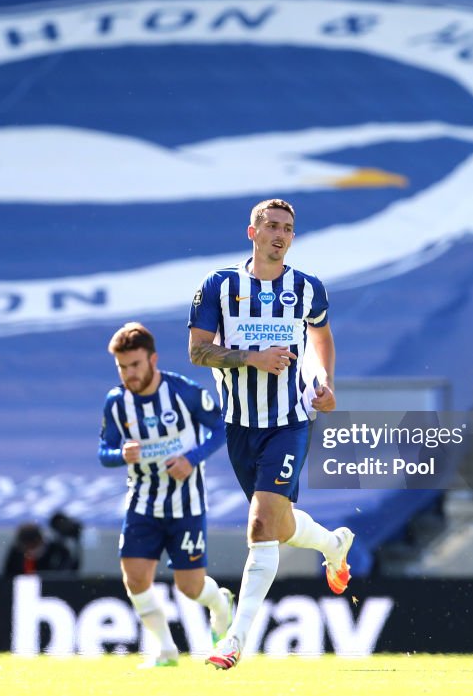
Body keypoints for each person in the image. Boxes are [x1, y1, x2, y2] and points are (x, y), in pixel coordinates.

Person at [188, 198, 354, 670]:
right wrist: (251, 358)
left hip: (288, 421)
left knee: (261, 526)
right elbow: (198, 352)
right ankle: (331, 544)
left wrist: (323, 381)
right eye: (272, 226)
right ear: (253, 232)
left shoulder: (306, 288)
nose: (281, 234)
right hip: (240, 425)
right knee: (279, 526)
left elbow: (320, 338)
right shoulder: (219, 286)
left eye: (289, 228)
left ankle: (234, 640)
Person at [98, 322, 235, 668]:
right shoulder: (116, 404)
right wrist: (120, 456)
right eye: (122, 367)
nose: (129, 373)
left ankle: (219, 603)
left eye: (135, 365)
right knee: (136, 579)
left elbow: (222, 427)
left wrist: (192, 459)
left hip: (185, 503)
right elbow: (104, 450)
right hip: (142, 501)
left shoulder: (183, 392)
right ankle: (165, 649)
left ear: (153, 359)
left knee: (190, 587)